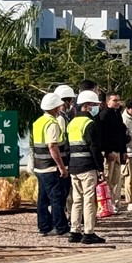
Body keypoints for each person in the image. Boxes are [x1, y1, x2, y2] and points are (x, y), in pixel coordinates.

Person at [67, 91, 106, 244]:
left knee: (77, 200)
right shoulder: (89, 124)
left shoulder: (72, 123)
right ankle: (89, 232)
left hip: (74, 167)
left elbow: (68, 148)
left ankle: (74, 231)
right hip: (87, 167)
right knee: (89, 200)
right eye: (94, 105)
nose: (97, 107)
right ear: (87, 106)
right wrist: (100, 168)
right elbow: (94, 148)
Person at [33, 93, 69, 237]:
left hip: (39, 166)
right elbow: (52, 146)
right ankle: (61, 228)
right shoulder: (52, 124)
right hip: (51, 167)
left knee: (42, 199)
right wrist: (61, 166)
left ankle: (44, 227)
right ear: (55, 108)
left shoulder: (38, 122)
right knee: (57, 198)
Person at [98, 91, 129, 213]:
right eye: (114, 100)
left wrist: (123, 151)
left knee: (116, 181)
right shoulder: (104, 115)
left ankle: (114, 203)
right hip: (109, 154)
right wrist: (108, 151)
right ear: (108, 102)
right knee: (107, 180)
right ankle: (106, 205)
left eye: (118, 100)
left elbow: (121, 135)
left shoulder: (118, 115)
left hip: (118, 152)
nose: (117, 103)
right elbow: (104, 136)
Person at [53, 84, 77, 214]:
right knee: (64, 190)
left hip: (63, 157)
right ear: (66, 101)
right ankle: (66, 215)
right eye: (71, 101)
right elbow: (61, 140)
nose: (71, 104)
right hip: (63, 157)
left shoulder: (65, 116)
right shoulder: (61, 119)